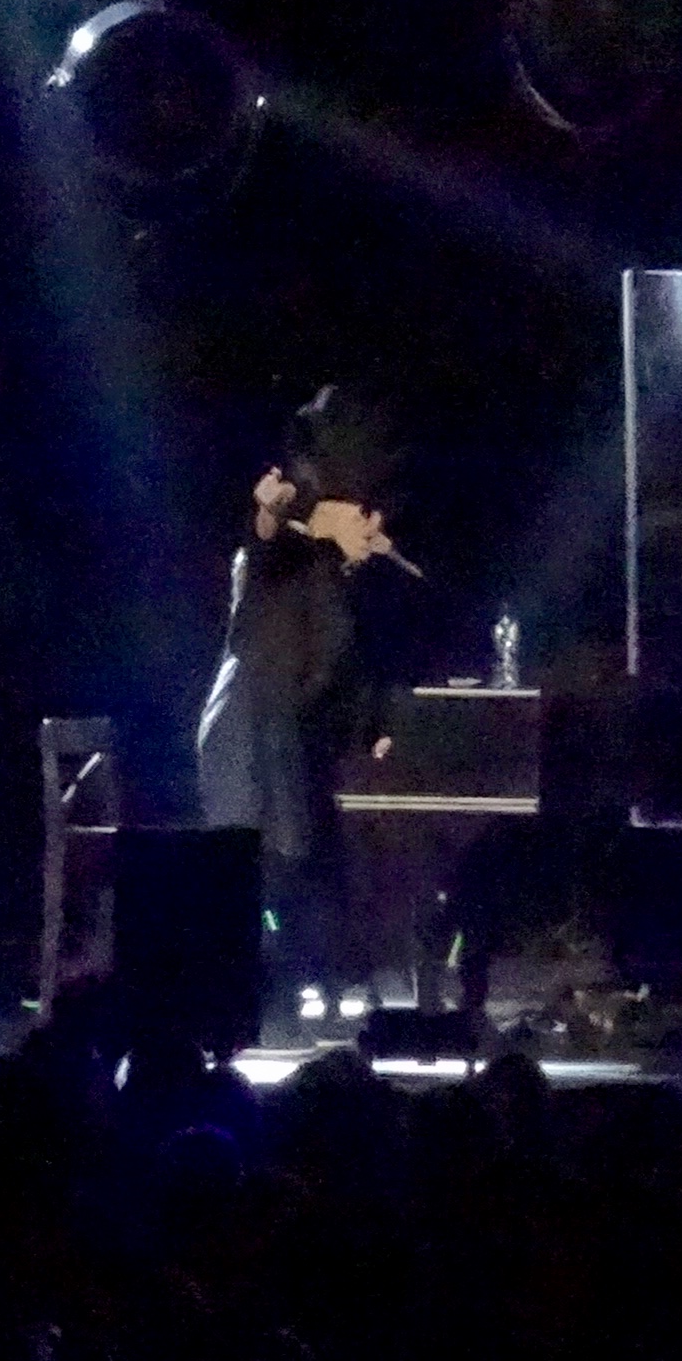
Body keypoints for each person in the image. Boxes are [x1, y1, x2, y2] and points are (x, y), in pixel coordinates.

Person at [188, 387, 416, 1020]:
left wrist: (374, 727)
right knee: (255, 865)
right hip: (244, 725)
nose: (368, 519)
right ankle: (252, 998)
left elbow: (345, 664)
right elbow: (270, 530)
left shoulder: (335, 574)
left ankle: (291, 988)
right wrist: (286, 515)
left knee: (293, 860)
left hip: (282, 730)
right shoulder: (284, 548)